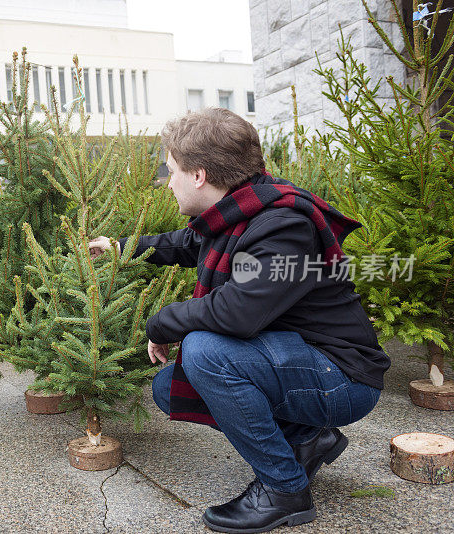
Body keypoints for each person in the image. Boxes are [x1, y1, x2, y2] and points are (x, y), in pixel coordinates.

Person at [89, 108, 389, 534]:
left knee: (205, 352)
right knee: (170, 388)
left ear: (199, 175)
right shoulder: (237, 210)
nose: (166, 180)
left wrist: (163, 322)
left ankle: (285, 490)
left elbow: (237, 312)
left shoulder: (285, 225)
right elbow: (187, 243)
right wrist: (122, 247)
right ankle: (307, 439)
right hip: (298, 356)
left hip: (341, 375)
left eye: (171, 170)